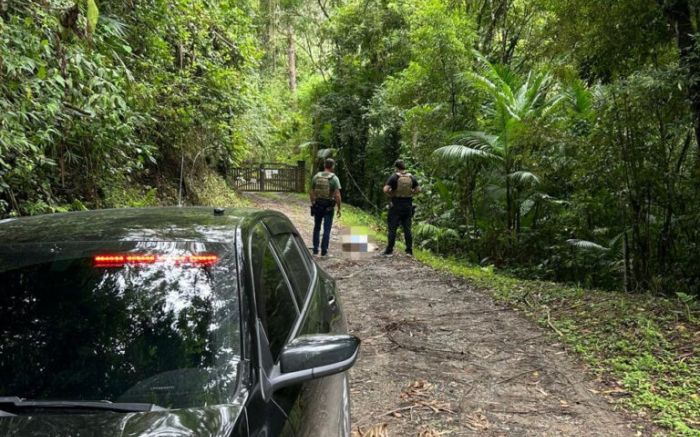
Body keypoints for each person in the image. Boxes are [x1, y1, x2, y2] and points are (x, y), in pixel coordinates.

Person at [382, 159, 420, 256]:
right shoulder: (411, 177)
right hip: (408, 205)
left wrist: (392, 193)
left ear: (396, 167)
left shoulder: (394, 177)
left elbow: (385, 189)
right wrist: (411, 193)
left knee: (392, 228)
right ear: (404, 167)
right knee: (407, 228)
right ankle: (409, 251)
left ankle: (389, 251)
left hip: (396, 205)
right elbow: (418, 189)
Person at [310, 158, 342, 256]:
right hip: (328, 207)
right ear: (332, 166)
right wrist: (339, 208)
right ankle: (324, 251)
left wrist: (313, 203)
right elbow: (337, 195)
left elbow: (311, 192)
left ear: (324, 165)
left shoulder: (316, 177)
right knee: (327, 229)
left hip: (318, 205)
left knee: (317, 227)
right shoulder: (334, 178)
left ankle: (315, 250)